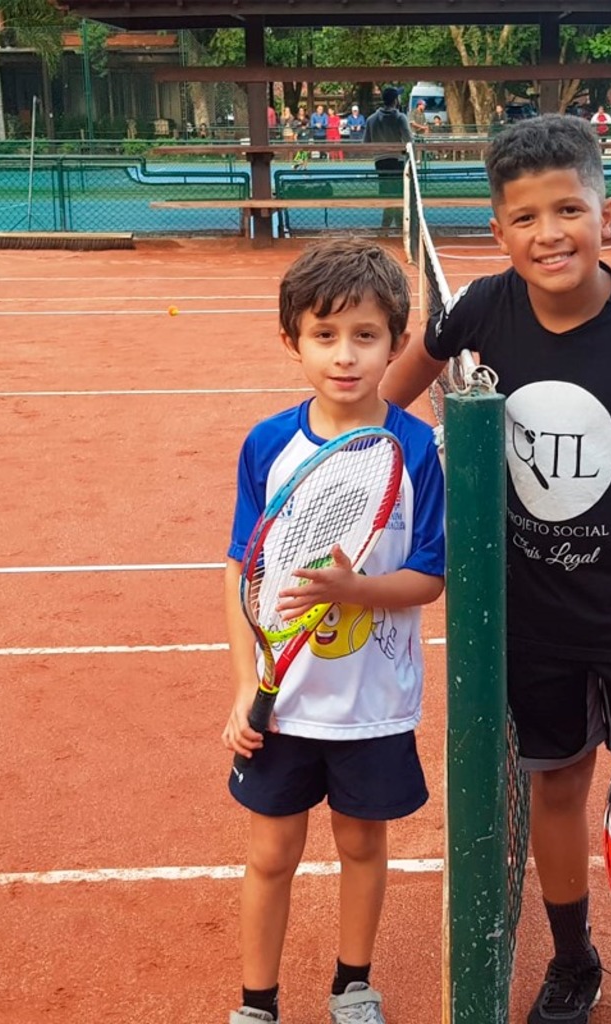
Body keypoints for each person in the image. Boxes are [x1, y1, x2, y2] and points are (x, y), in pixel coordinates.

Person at [380, 113, 611, 1024]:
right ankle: (574, 960)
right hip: (531, 614)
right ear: (498, 233)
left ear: (606, 214)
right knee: (557, 783)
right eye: (527, 218)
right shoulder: (479, 311)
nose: (551, 234)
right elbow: (390, 399)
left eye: (569, 210)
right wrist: (339, 464)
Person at [223, 238, 446, 1024]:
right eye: (324, 336)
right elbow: (239, 571)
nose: (345, 356)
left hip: (374, 704)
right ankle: (257, 1003)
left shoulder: (417, 449)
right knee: (270, 855)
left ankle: (353, 986)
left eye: (366, 336)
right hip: (283, 708)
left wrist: (358, 589)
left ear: (396, 341)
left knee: (360, 846)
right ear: (293, 341)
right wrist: (246, 683)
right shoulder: (266, 445)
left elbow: (430, 576)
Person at [363, 87, 413, 231]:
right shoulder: (400, 117)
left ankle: (389, 228)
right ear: (395, 100)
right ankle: (394, 227)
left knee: (388, 195)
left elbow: (366, 143)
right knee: (398, 195)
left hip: (380, 161)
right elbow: (409, 140)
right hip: (397, 160)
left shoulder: (371, 119)